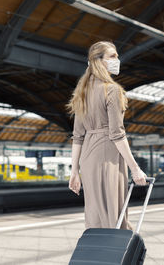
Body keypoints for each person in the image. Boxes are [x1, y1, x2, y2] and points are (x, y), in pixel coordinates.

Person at [65, 41, 147, 230]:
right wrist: (135, 168)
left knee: (95, 216)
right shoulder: (112, 90)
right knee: (114, 215)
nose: (117, 59)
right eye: (112, 56)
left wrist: (74, 171)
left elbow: (77, 137)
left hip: (88, 159)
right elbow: (117, 134)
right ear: (98, 61)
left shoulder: (81, 93)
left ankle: (96, 253)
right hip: (108, 156)